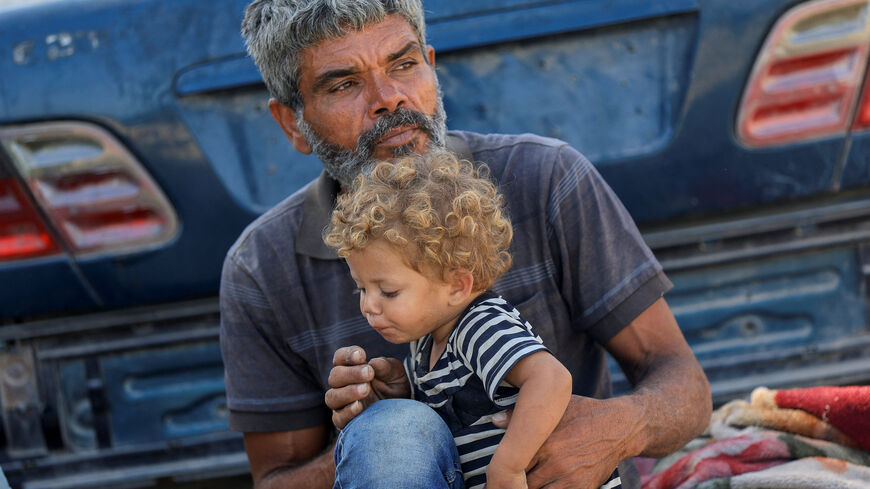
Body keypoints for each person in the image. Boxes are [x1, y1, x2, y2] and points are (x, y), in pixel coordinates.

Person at [219, 1, 713, 488]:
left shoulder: (544, 179)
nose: (389, 98)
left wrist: (616, 430)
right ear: (292, 123)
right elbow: (277, 481)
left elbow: (685, 387)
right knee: (394, 432)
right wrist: (372, 436)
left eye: (404, 64)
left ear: (432, 69)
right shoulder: (260, 269)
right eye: (345, 83)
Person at [323, 151, 621, 489]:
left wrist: (507, 468)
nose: (369, 306)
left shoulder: (480, 324)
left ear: (457, 285)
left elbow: (551, 379)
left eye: (388, 292)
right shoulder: (425, 343)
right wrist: (406, 394)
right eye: (361, 289)